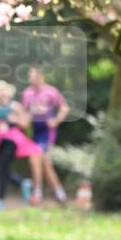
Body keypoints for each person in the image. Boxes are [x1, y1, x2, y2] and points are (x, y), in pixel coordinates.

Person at [0, 80, 43, 210]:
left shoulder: (15, 106)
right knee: (4, 168)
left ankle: (0, 199)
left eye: (2, 91)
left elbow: (25, 124)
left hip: (12, 140)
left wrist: (13, 120)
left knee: (3, 168)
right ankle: (22, 184)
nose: (1, 94)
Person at [21, 65, 70, 203]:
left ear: (41, 77)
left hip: (47, 132)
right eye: (30, 76)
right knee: (40, 163)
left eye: (33, 76)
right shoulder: (27, 94)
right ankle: (59, 195)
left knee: (41, 161)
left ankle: (42, 194)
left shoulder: (51, 92)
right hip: (34, 132)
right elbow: (24, 114)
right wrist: (26, 120)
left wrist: (56, 120)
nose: (31, 78)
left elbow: (64, 108)